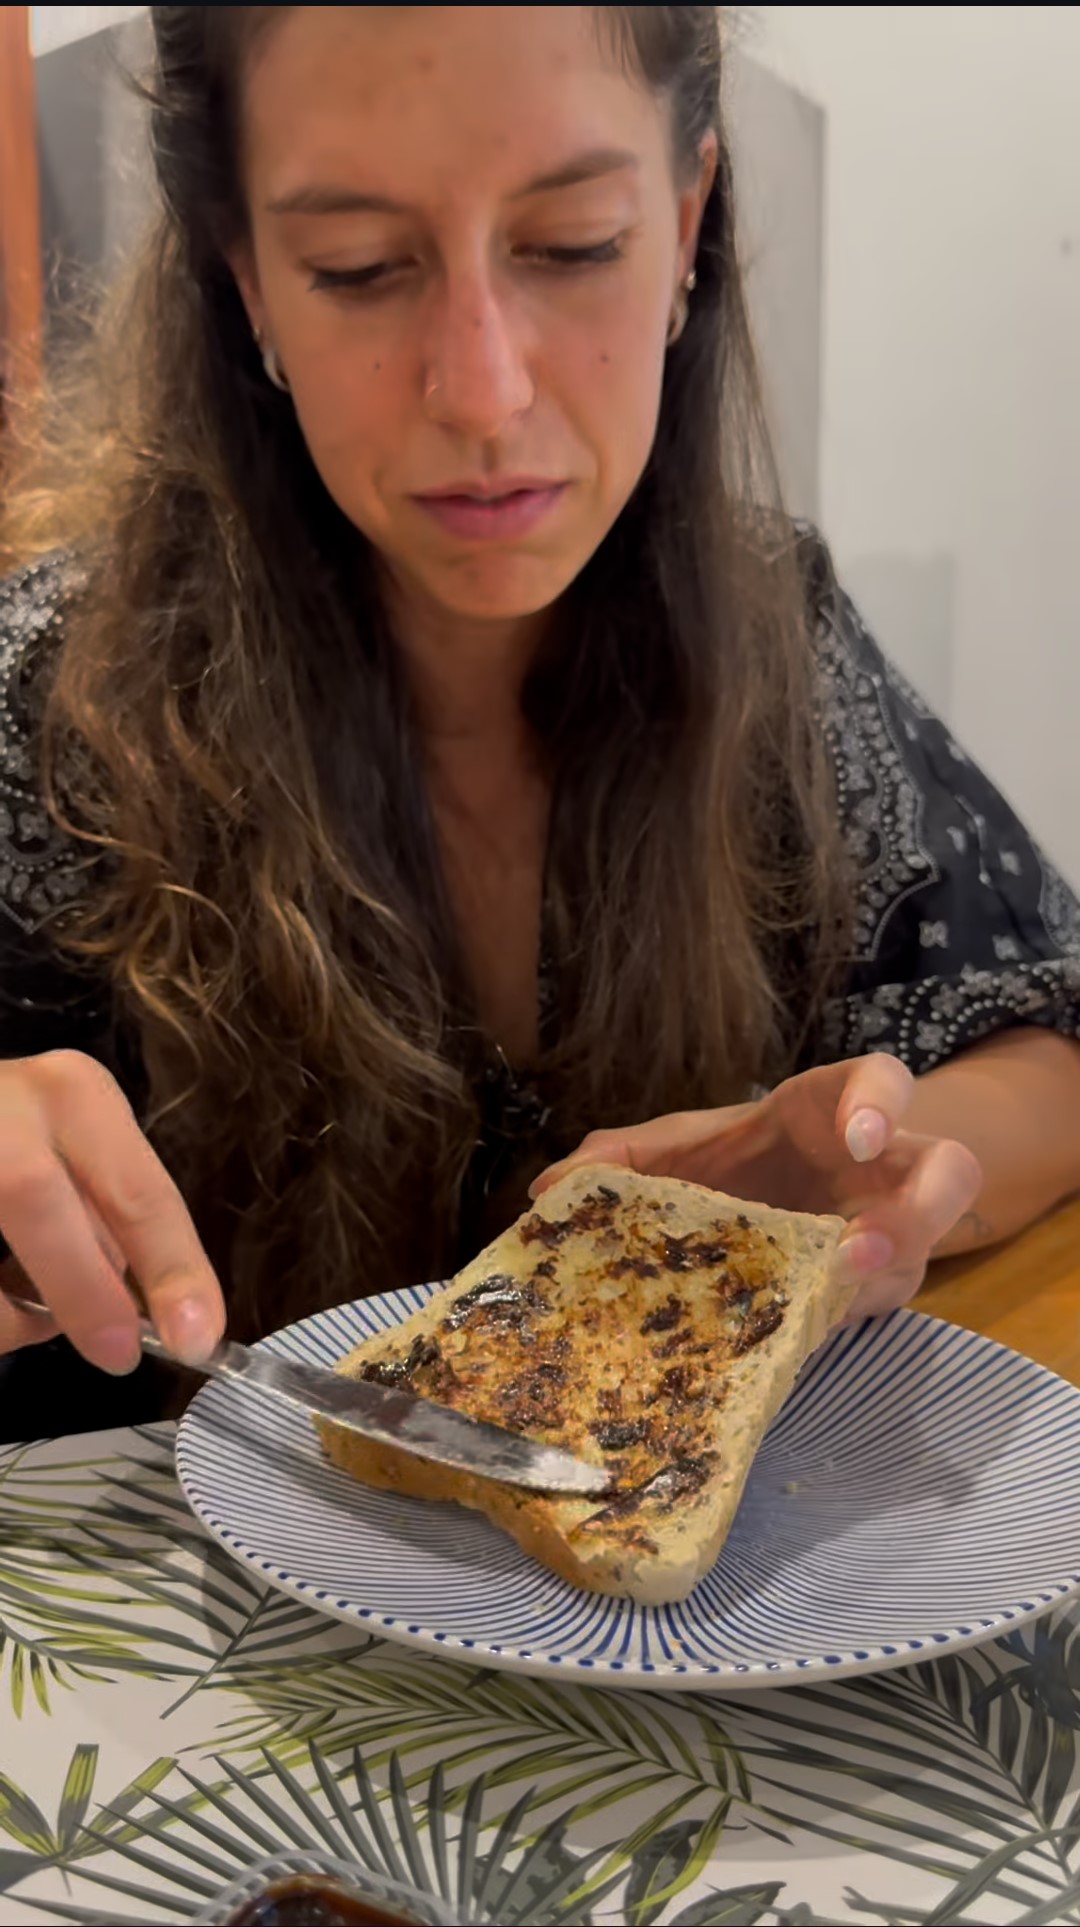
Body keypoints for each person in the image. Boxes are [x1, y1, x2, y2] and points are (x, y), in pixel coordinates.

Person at [0, 4, 1078, 1441]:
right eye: (359, 268)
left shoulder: (780, 642)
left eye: (573, 245)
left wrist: (871, 1172)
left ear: (686, 225)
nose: (485, 391)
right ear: (244, 275)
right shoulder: (51, 706)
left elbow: (1050, 1040)